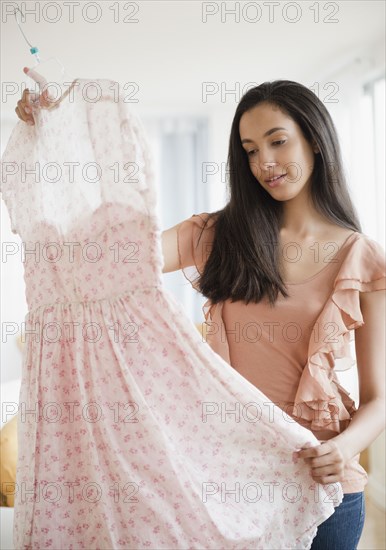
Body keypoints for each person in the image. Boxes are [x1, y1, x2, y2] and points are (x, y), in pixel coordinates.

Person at [16, 77, 385, 550]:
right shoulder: (216, 235)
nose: (264, 163)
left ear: (314, 137)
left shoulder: (363, 259)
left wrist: (345, 447)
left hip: (324, 482)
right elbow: (98, 262)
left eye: (277, 141)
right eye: (250, 150)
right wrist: (53, 136)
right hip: (231, 482)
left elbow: (379, 397)